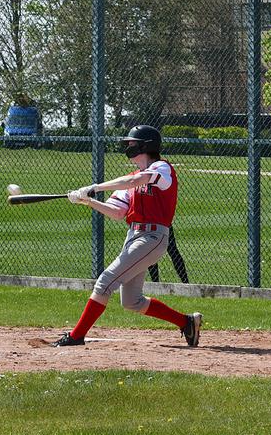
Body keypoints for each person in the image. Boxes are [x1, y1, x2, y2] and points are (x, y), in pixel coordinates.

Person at [53, 125, 202, 347]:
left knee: (104, 282)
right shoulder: (131, 180)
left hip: (153, 237)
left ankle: (76, 336)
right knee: (132, 301)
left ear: (146, 145)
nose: (129, 147)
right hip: (133, 236)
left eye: (133, 143)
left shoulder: (162, 169)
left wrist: (94, 187)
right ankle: (187, 322)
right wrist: (89, 201)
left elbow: (135, 182)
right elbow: (117, 212)